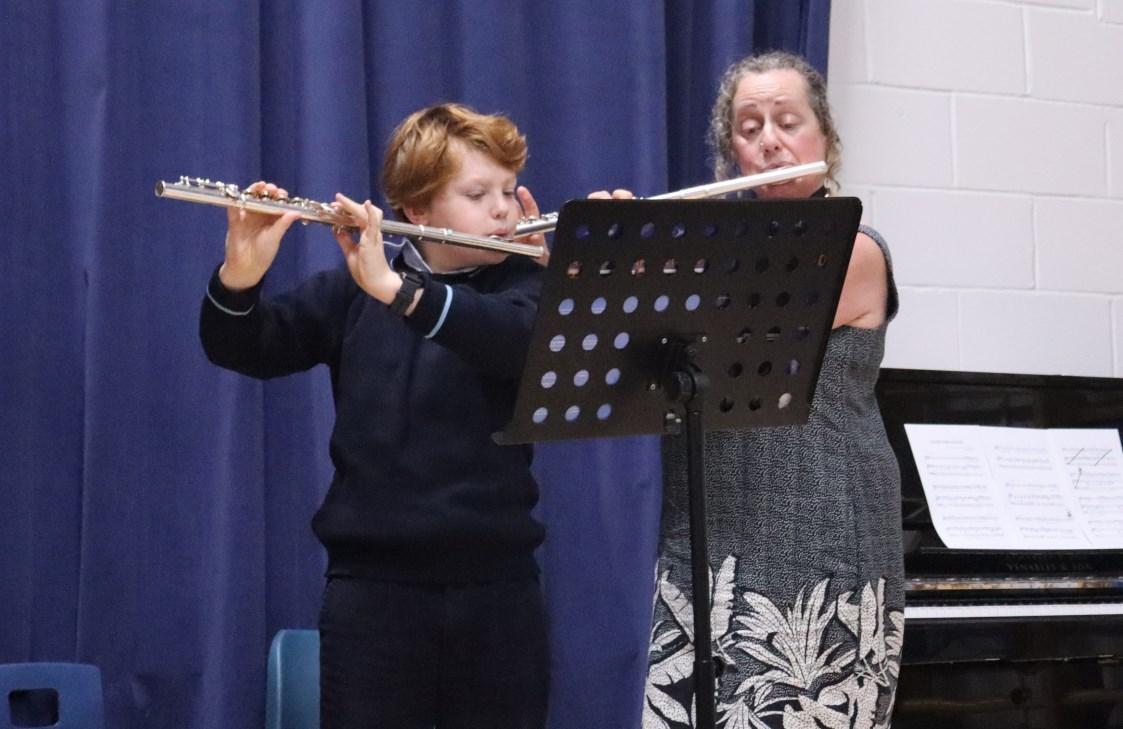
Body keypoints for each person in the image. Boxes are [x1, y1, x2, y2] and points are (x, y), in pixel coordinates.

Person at [199, 103, 550, 729]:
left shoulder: (526, 286)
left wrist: (399, 292)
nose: (503, 210)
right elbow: (244, 348)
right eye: (478, 194)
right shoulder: (352, 293)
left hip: (499, 591)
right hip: (374, 593)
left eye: (507, 190)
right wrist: (239, 277)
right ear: (416, 210)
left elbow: (508, 339)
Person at [595, 51, 904, 728]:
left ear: (825, 138)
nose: (769, 141)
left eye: (788, 122)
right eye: (749, 127)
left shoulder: (856, 248)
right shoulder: (711, 254)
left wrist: (637, 256)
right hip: (705, 533)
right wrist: (601, 262)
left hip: (819, 530)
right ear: (730, 151)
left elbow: (742, 306)